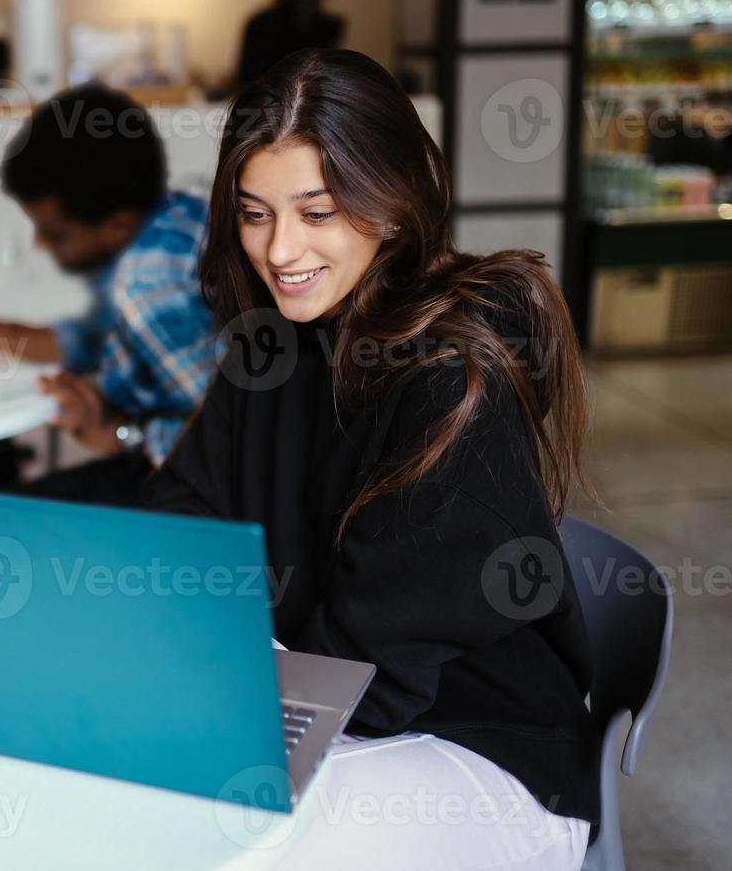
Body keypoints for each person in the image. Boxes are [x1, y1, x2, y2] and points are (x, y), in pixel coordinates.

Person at [146, 49, 596, 869]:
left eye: (317, 213)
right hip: (323, 698)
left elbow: (375, 678)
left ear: (391, 201)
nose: (280, 250)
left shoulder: (452, 376)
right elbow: (185, 515)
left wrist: (240, 668)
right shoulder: (274, 341)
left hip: (479, 744)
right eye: (255, 213)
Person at [0, 85, 214, 506]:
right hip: (180, 469)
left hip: (198, 498)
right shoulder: (179, 213)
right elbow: (95, 338)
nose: (40, 244)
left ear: (115, 222)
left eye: (56, 233)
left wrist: (113, 432)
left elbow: (229, 445)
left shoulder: (145, 285)